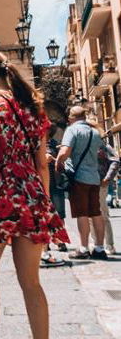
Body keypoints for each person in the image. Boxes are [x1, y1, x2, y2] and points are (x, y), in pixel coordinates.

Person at [0, 50, 69, 339]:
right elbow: (42, 164)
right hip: (31, 196)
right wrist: (43, 201)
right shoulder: (34, 110)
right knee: (31, 283)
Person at [57, 106, 108, 260]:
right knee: (96, 213)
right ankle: (100, 248)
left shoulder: (72, 130)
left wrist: (58, 163)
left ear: (71, 117)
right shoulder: (95, 132)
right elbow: (101, 153)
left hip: (79, 178)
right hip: (94, 177)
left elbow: (65, 152)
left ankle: (84, 248)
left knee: (82, 214)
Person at [97, 141, 119, 254]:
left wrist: (107, 177)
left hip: (100, 184)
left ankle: (109, 245)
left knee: (102, 214)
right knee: (90, 217)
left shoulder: (102, 144)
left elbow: (115, 160)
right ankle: (96, 244)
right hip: (84, 184)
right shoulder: (79, 142)